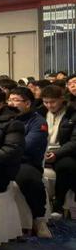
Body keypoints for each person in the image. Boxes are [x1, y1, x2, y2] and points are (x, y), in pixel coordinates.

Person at [7, 87, 51, 238]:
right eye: (9, 100)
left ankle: (39, 219)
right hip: (2, 159)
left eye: (15, 100)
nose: (11, 103)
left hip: (26, 162)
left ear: (27, 103)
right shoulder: (5, 117)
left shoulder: (38, 122)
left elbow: (27, 146)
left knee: (29, 178)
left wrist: (4, 151)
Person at [39, 85, 76, 215]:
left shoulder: (72, 114)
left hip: (63, 151)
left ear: (61, 99)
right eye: (46, 102)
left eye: (52, 102)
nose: (49, 105)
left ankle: (58, 202)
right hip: (41, 150)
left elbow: (74, 142)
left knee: (67, 166)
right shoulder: (39, 112)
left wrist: (56, 154)